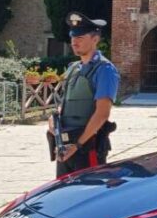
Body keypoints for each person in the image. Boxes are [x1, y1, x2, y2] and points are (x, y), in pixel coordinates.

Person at [49, 12, 120, 177]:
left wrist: (78, 145)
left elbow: (102, 114)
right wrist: (53, 121)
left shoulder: (105, 70)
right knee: (64, 196)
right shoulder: (73, 68)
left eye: (80, 37)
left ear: (95, 39)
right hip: (64, 147)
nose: (74, 42)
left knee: (88, 196)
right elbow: (64, 105)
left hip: (87, 148)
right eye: (72, 37)